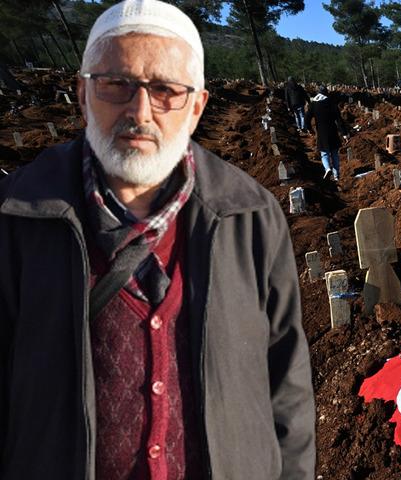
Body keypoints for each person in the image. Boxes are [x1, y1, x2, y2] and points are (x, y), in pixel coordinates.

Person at [0, 1, 316, 478]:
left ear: (196, 107)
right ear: (82, 93)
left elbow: (287, 379)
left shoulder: (250, 216)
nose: (140, 111)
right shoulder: (16, 217)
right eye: (116, 84)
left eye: (166, 90)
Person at [306, 85, 349, 181]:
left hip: (322, 132)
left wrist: (309, 129)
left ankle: (327, 168)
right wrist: (344, 134)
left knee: (324, 154)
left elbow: (307, 118)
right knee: (334, 154)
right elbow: (339, 120)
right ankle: (336, 176)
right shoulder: (331, 103)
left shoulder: (313, 104)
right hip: (332, 131)